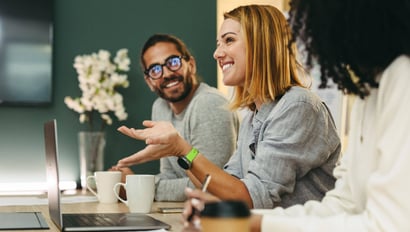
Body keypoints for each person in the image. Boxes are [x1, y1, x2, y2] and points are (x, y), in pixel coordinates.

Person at [184, 1, 410, 231]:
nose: (308, 33)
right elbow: (343, 203)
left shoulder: (401, 79)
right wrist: (249, 221)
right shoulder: (369, 91)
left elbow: (388, 225)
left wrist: (183, 150)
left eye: (229, 40)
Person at [116, 5, 341, 209]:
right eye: (218, 44)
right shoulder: (253, 117)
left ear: (260, 43)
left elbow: (251, 197)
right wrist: (178, 153)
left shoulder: (298, 105)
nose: (217, 53)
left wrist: (182, 149)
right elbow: (224, 187)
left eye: (229, 40)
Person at [112, 34, 239, 201]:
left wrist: (137, 187)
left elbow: (211, 186)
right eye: (155, 69)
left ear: (191, 65)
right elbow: (169, 175)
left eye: (172, 62)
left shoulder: (209, 103)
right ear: (149, 81)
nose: (166, 74)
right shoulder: (160, 107)